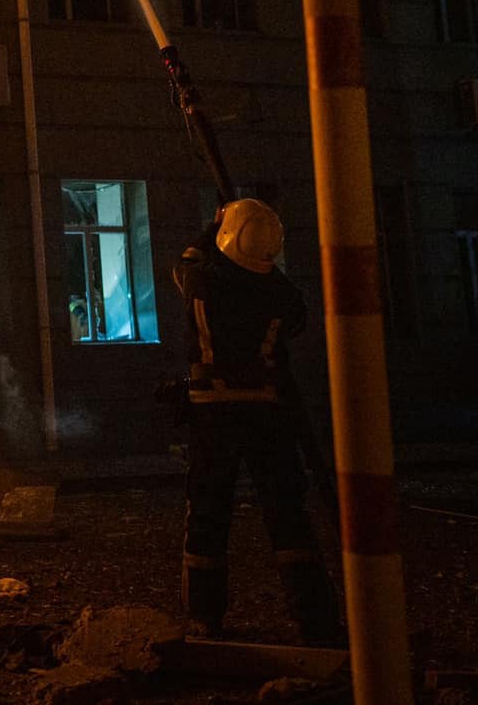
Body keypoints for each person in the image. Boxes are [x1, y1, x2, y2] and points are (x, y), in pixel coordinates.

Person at [174, 198, 342, 646]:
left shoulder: (203, 280)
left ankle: (204, 616)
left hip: (214, 413)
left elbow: (186, 260)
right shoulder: (282, 296)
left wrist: (214, 225)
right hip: (269, 412)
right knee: (288, 514)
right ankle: (313, 618)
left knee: (208, 514)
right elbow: (296, 311)